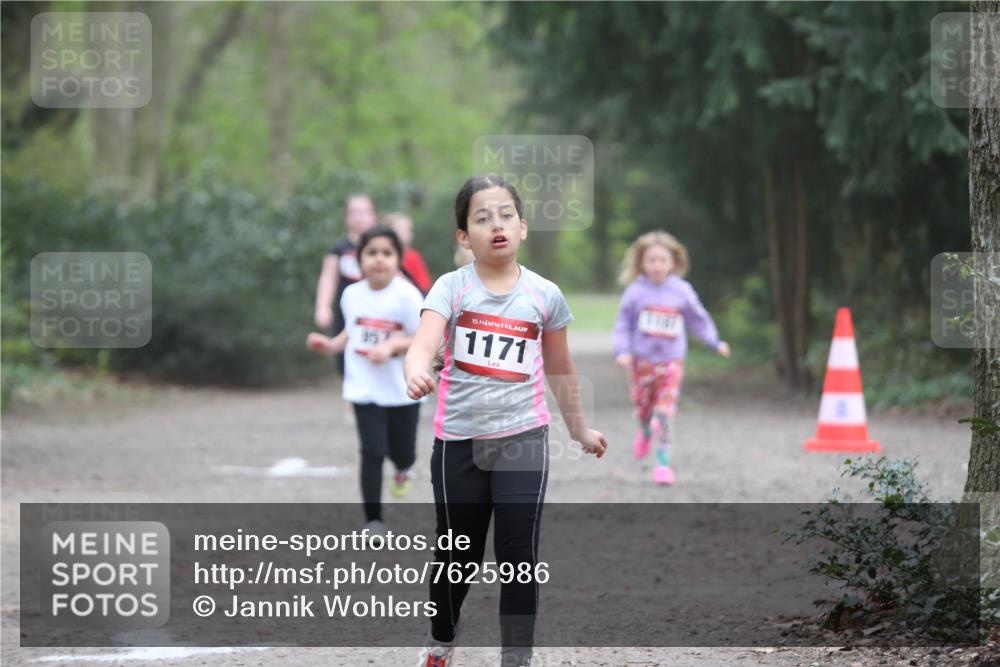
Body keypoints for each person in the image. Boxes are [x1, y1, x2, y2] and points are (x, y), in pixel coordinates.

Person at [405, 174, 608, 667]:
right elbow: (424, 342)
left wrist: (578, 428)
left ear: (522, 227)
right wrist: (415, 370)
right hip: (458, 444)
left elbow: (560, 368)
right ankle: (440, 644)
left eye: (505, 215)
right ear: (463, 236)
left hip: (523, 439)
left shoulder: (544, 295)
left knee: (518, 558)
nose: (495, 224)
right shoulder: (451, 288)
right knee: (459, 558)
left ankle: (516, 659)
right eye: (481, 217)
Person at [307, 225, 424, 535]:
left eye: (387, 253)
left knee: (403, 452)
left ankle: (403, 469)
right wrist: (331, 345)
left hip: (402, 389)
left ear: (399, 259)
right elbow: (354, 331)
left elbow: (423, 339)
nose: (379, 260)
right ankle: (374, 520)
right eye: (372, 253)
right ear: (360, 260)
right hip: (364, 387)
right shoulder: (351, 295)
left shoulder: (408, 296)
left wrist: (391, 346)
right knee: (371, 451)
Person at [612, 231, 731, 485]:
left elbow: (698, 320)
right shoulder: (635, 292)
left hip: (671, 362)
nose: (657, 265)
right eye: (651, 260)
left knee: (665, 412)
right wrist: (622, 351)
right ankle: (644, 431)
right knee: (644, 410)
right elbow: (622, 324)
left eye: (662, 260)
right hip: (641, 362)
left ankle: (663, 464)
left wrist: (714, 342)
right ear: (641, 263)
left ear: (673, 263)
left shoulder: (682, 291)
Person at [314, 194, 378, 373]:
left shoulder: (383, 247)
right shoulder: (339, 249)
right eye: (354, 212)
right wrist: (323, 307)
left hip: (378, 312)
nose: (359, 217)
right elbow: (328, 278)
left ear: (374, 215)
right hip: (348, 312)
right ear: (346, 217)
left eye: (364, 212)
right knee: (346, 359)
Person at [383, 212, 433, 294]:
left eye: (408, 229)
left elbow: (425, 285)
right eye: (401, 229)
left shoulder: (413, 256)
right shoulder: (382, 256)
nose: (406, 233)